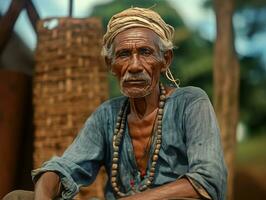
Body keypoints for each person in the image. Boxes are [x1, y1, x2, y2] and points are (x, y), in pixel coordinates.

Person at [4, 7, 227, 200]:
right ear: (111, 65)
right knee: (17, 198)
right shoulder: (107, 116)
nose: (135, 66)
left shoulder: (190, 102)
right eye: (124, 55)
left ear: (165, 60)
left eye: (145, 52)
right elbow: (63, 168)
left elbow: (208, 180)